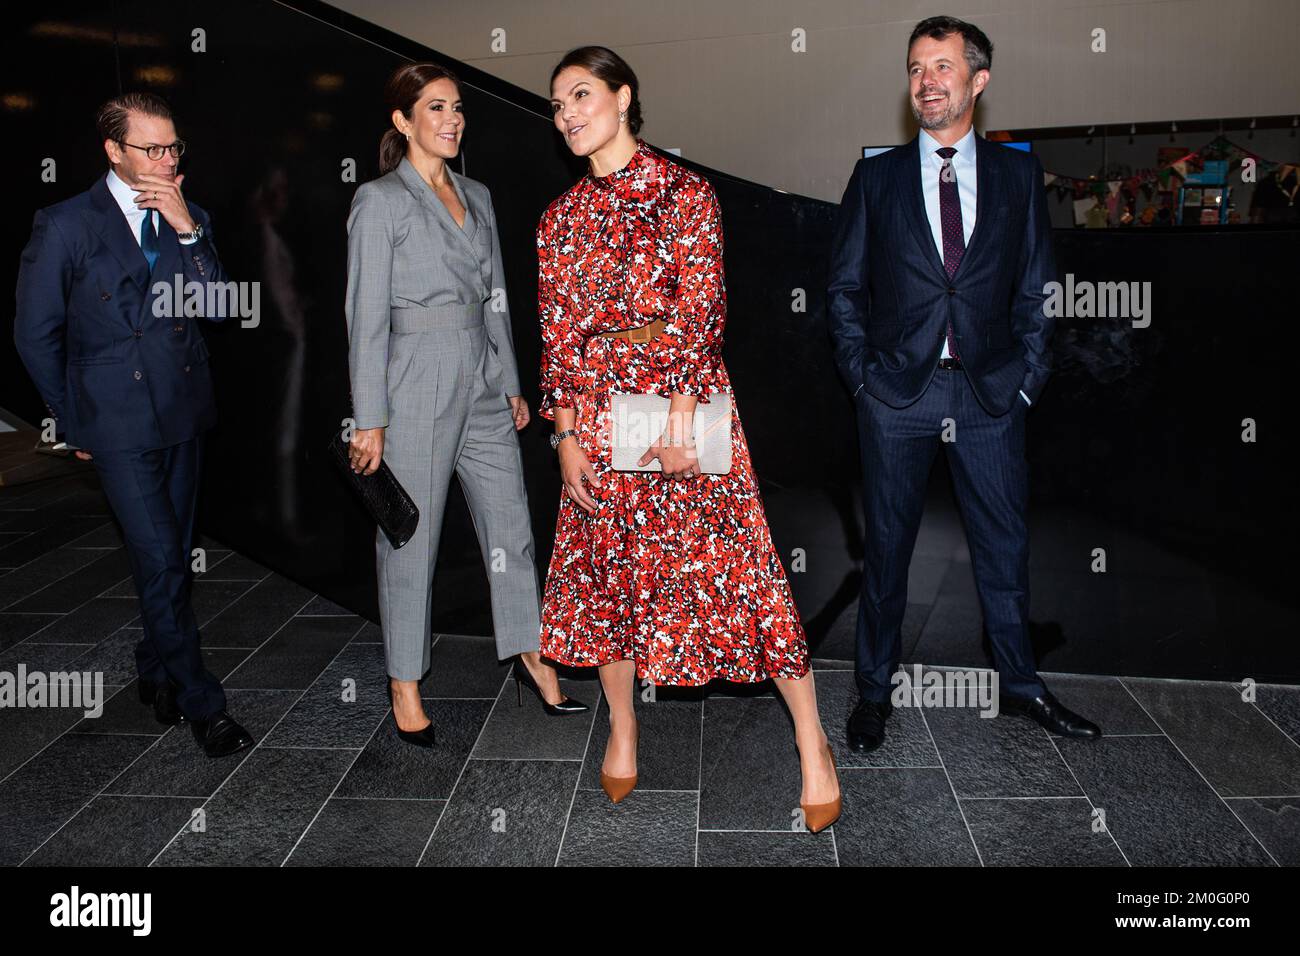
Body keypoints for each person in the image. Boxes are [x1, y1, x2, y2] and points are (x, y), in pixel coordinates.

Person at [537, 46, 840, 831]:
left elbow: (703, 310)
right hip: (599, 410)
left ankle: (812, 740)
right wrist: (565, 436)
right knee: (612, 575)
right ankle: (624, 726)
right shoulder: (559, 218)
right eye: (557, 102)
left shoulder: (684, 192)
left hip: (680, 398)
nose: (567, 112)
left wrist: (676, 415)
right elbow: (559, 337)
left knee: (741, 569)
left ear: (623, 95)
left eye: (581, 94)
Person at [827, 16, 1102, 752]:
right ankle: (873, 695)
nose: (926, 82)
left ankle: (1020, 685)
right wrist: (862, 379)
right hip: (896, 397)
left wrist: (1027, 382)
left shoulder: (1018, 174)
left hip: (989, 397)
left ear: (978, 80)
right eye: (916, 68)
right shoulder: (877, 175)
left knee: (1005, 550)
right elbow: (845, 287)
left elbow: (1039, 287)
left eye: (942, 67)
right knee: (886, 553)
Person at [345, 63, 586, 748]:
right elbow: (363, 316)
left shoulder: (477, 194)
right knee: (409, 537)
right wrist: (371, 417)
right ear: (403, 121)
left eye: (457, 108)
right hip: (414, 378)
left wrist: (512, 381)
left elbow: (498, 297)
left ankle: (529, 652)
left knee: (512, 525)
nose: (451, 120)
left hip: (482, 377)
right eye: (434, 108)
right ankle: (405, 680)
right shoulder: (379, 201)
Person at [14, 92, 253, 758]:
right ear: (113, 151)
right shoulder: (65, 224)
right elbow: (35, 334)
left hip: (182, 411)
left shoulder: (190, 213)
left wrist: (188, 232)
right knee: (161, 560)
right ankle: (205, 703)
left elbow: (221, 308)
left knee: (170, 560)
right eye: (151, 148)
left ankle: (157, 672)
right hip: (112, 422)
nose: (167, 159)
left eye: (173, 146)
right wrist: (73, 419)